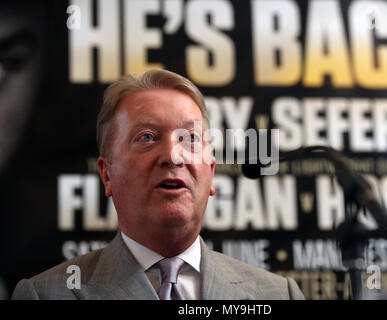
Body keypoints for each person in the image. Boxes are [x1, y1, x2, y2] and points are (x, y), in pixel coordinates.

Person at [11, 68, 304, 300]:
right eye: (147, 137)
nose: (172, 156)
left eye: (190, 138)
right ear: (107, 174)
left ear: (211, 172)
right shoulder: (45, 294)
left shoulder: (279, 295)